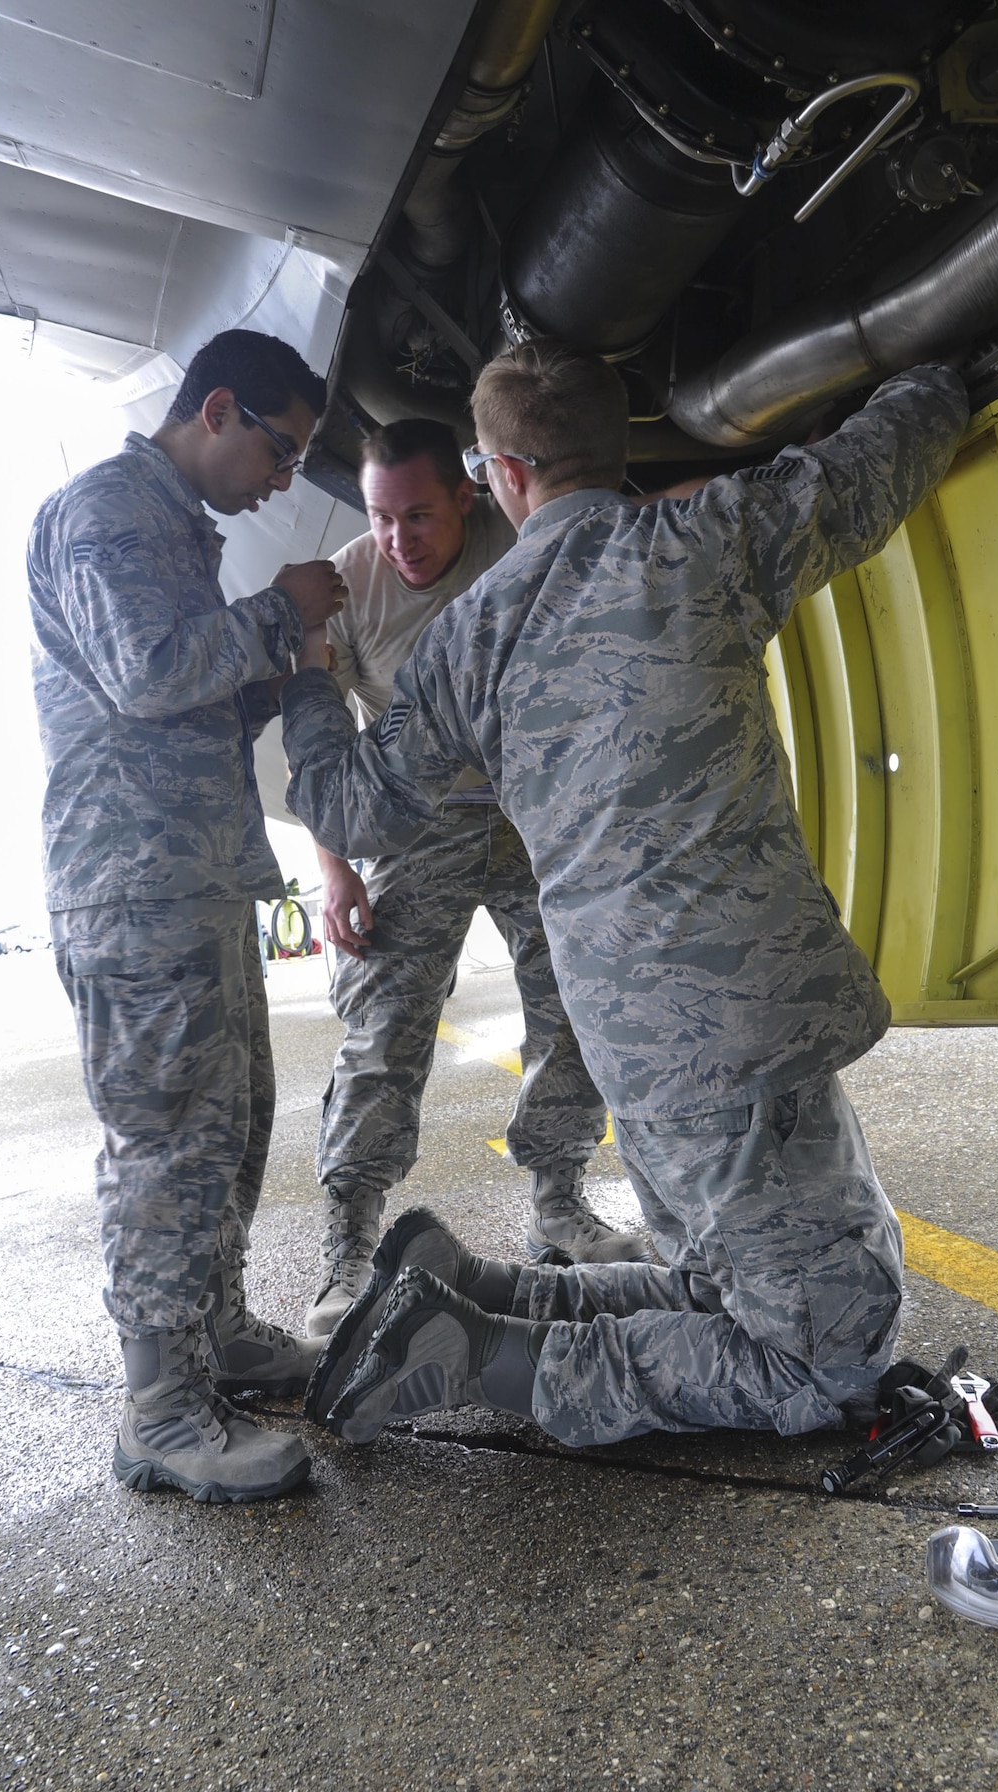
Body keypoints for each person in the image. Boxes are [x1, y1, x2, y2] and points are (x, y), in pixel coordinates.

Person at [280, 339, 969, 1449]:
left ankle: (477, 1293)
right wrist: (928, 363)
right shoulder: (704, 537)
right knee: (821, 1353)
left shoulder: (470, 633)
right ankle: (470, 1356)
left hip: (632, 1038)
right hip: (741, 1021)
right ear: (618, 447)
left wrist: (312, 672)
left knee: (723, 1283)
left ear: (499, 475)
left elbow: (349, 803)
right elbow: (881, 456)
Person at [28, 328, 347, 1502]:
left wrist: (274, 676)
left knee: (228, 1122)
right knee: (167, 1141)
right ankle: (160, 1408)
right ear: (218, 409)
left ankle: (212, 1335)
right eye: (280, 449)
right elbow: (145, 670)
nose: (281, 478)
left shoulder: (167, 524)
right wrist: (276, 614)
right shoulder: (108, 509)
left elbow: (181, 704)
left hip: (193, 877)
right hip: (134, 886)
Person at [301, 418, 643, 1340]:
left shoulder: (517, 541)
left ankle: (560, 1201)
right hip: (417, 818)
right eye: (381, 518)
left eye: (418, 514)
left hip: (532, 807)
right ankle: (349, 1244)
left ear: (468, 493)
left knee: (573, 1001)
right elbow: (318, 740)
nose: (398, 539)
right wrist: (335, 875)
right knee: (383, 1024)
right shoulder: (348, 584)